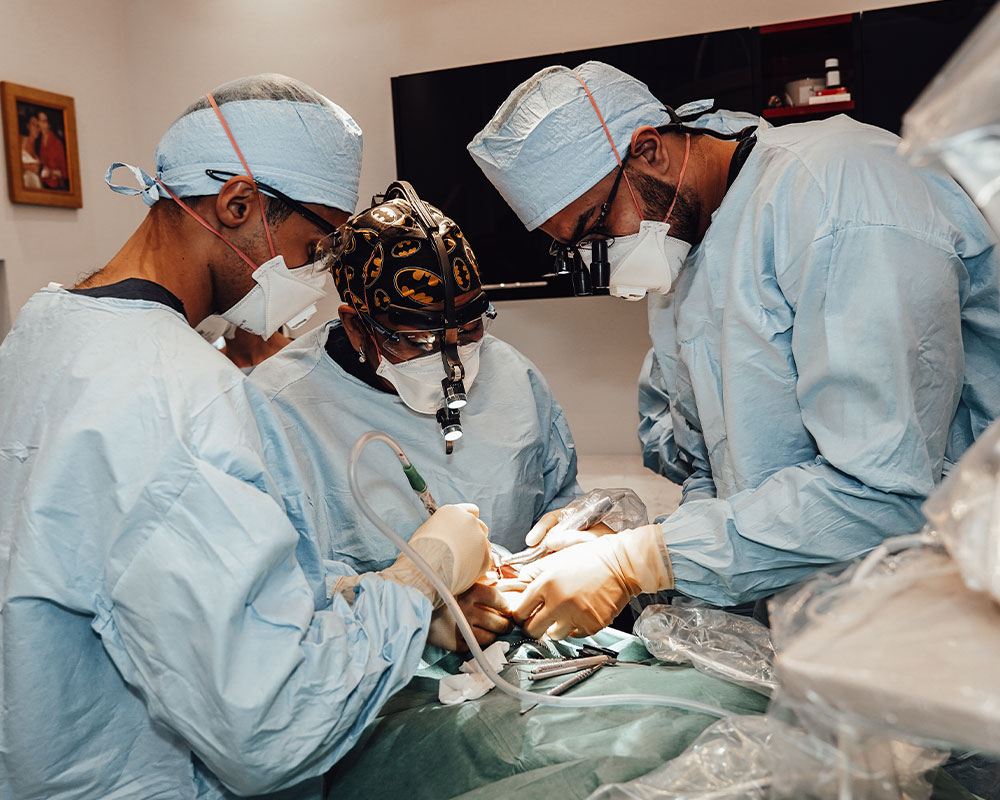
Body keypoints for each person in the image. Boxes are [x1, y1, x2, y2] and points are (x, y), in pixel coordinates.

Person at [0, 75, 491, 800]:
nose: (318, 278)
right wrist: (414, 591)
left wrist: (357, 597)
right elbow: (269, 723)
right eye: (315, 245)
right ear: (237, 205)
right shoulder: (177, 392)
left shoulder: (40, 332)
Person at [467, 61, 1000, 639]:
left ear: (649, 151)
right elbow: (719, 470)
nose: (608, 257)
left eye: (598, 227)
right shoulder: (685, 246)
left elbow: (882, 490)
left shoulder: (840, 194)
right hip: (816, 593)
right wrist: (637, 549)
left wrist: (644, 561)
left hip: (948, 587)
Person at [250, 187, 581, 650]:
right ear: (355, 324)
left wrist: (576, 545)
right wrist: (418, 616)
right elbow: (274, 598)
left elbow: (558, 498)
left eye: (469, 330)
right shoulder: (278, 409)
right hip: (378, 682)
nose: (454, 364)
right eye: (420, 341)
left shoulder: (513, 376)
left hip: (520, 654)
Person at [37, 110, 68, 190]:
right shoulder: (37, 140)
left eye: (44, 121)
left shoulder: (57, 143)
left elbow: (65, 173)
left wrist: (51, 172)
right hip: (40, 184)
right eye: (39, 120)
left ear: (49, 124)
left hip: (55, 186)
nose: (40, 124)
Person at [19, 113, 42, 189]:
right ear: (28, 126)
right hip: (23, 185)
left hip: (36, 187)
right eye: (33, 124)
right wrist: (28, 167)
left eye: (38, 126)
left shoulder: (39, 146)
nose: (36, 128)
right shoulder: (20, 140)